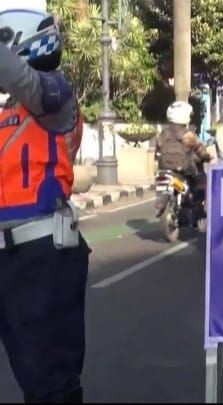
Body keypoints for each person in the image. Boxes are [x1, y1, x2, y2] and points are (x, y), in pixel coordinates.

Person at [0, 8, 89, 402]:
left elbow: (20, 79)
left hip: (40, 256)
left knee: (48, 384)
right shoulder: (8, 110)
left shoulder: (55, 97)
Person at [157, 101, 212, 223]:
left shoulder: (163, 134)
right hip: (184, 169)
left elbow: (158, 152)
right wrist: (207, 157)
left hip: (164, 169)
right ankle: (197, 206)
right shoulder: (188, 135)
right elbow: (200, 151)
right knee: (201, 180)